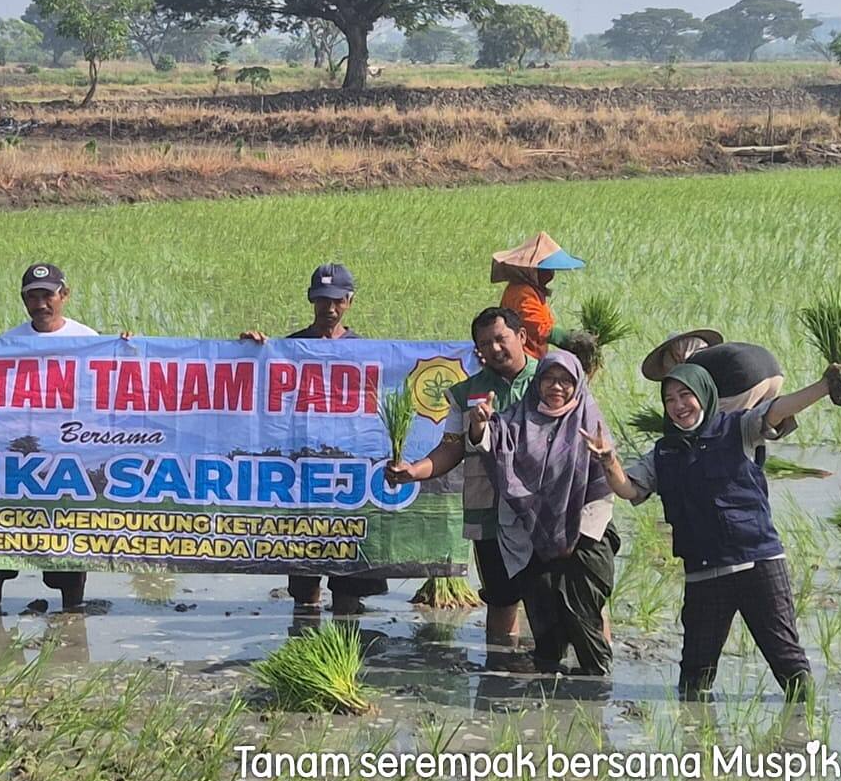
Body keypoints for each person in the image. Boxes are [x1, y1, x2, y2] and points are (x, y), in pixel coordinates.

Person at [584, 362, 841, 700]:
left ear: (705, 395)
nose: (679, 405)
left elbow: (778, 410)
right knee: (694, 678)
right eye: (669, 399)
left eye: (685, 395)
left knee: (788, 662)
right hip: (704, 575)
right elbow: (629, 489)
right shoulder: (664, 452)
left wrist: (825, 386)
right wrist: (609, 461)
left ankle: (804, 724)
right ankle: (695, 731)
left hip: (757, 565)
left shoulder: (739, 428)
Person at [389, 308, 614, 671]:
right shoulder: (467, 393)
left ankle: (595, 674)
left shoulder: (551, 376)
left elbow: (587, 430)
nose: (493, 348)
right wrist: (414, 471)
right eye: (484, 344)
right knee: (502, 597)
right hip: (493, 512)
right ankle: (500, 672)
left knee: (581, 596)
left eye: (500, 338)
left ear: (521, 337)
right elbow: (451, 448)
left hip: (556, 511)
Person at [242, 263, 387, 615]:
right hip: (302, 478)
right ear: (311, 299)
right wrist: (247, 353)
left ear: (349, 301)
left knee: (349, 586)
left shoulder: (367, 351)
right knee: (304, 583)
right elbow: (258, 395)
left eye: (337, 300)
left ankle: (344, 643)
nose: (330, 308)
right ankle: (304, 640)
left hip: (349, 477)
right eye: (322, 300)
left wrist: (472, 360)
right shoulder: (289, 347)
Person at [477, 347, 620, 676]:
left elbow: (603, 485)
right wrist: (479, 425)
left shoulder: (590, 420)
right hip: (533, 531)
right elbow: (490, 442)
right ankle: (548, 679)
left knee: (581, 611)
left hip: (586, 534)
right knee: (543, 611)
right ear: (538, 382)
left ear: (577, 384)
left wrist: (576, 536)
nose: (556, 387)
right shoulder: (518, 419)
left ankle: (596, 681)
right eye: (549, 379)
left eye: (565, 381)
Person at [0, 262, 94, 612]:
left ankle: (72, 611)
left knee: (68, 532)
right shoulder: (9, 343)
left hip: (67, 451)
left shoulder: (90, 340)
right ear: (23, 300)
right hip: (18, 450)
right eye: (32, 297)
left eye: (48, 295)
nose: (40, 304)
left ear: (64, 295)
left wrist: (129, 348)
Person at [641, 329, 795, 447]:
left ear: (676, 354)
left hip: (744, 376)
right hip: (774, 371)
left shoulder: (692, 367)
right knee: (755, 425)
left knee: (720, 434)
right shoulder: (715, 356)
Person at [489, 232, 585, 360]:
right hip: (524, 358)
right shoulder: (523, 292)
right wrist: (568, 339)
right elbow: (538, 327)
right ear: (531, 271)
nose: (550, 274)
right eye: (545, 270)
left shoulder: (527, 289)